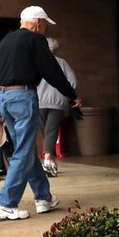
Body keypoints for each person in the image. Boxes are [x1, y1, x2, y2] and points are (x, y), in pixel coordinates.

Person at [0, 5, 82, 220]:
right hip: (23, 97)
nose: (45, 28)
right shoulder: (36, 40)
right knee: (24, 151)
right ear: (38, 22)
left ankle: (43, 197)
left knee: (25, 149)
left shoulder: (5, 41)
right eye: (45, 24)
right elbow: (51, 71)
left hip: (4, 98)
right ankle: (4, 203)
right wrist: (71, 94)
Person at [37, 37, 78, 177]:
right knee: (51, 132)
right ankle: (50, 160)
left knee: (46, 132)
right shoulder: (62, 62)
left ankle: (48, 160)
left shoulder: (37, 63)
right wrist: (67, 96)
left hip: (39, 102)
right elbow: (72, 81)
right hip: (57, 102)